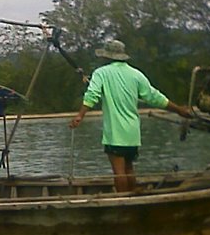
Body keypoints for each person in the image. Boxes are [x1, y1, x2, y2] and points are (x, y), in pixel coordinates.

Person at [69, 38, 192, 193]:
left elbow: (92, 95)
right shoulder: (136, 74)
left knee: (119, 172)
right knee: (129, 169)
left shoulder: (101, 73)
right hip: (132, 132)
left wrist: (80, 115)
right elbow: (154, 97)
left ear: (107, 57)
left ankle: (122, 201)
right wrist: (179, 109)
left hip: (115, 132)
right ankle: (132, 195)